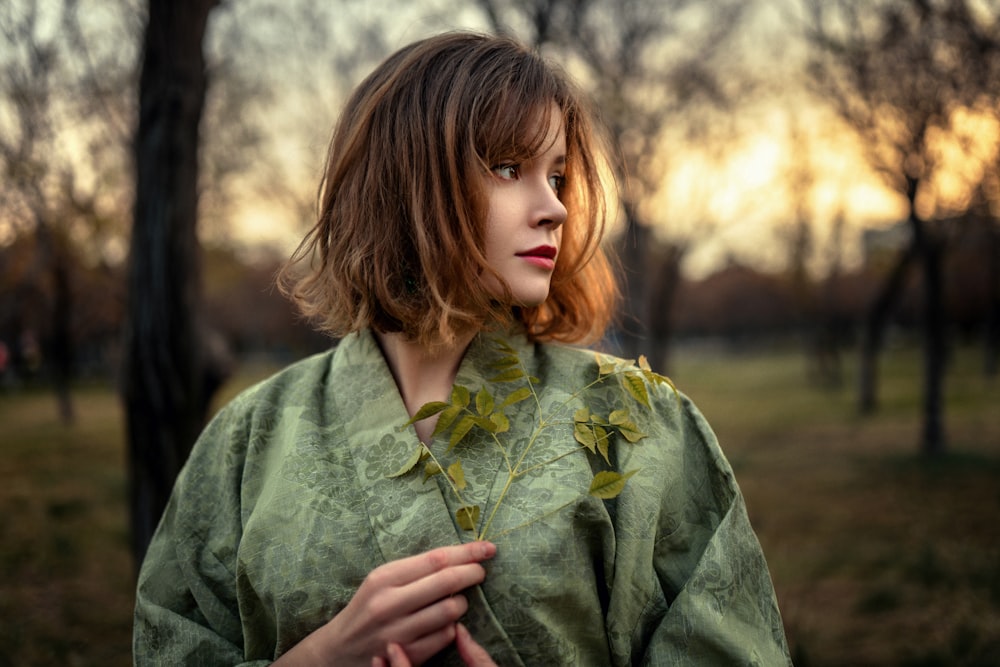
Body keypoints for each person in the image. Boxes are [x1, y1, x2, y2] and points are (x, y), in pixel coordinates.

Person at [133, 31, 791, 666]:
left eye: (557, 175)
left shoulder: (636, 423)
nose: (555, 208)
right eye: (509, 168)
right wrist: (320, 658)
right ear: (402, 183)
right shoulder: (248, 440)